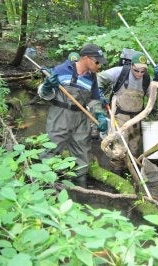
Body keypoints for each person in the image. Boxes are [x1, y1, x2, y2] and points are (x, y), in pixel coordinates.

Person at [38, 43, 109, 186]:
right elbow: (43, 94)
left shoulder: (92, 78)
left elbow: (94, 100)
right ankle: (43, 185)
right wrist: (47, 86)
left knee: (83, 155)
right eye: (97, 61)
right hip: (60, 116)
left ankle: (79, 189)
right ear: (86, 58)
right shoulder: (60, 70)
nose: (99, 65)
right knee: (50, 150)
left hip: (81, 120)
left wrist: (100, 115)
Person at [97, 52, 158, 172]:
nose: (139, 74)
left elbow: (152, 96)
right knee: (118, 148)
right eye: (136, 70)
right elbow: (98, 78)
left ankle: (130, 172)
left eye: (142, 71)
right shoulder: (119, 72)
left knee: (133, 148)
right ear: (131, 66)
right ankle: (117, 172)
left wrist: (157, 81)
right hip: (119, 117)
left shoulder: (147, 79)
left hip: (136, 119)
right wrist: (99, 93)